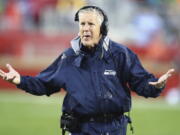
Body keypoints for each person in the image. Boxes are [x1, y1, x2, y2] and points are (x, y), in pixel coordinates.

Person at [0, 6, 175, 135]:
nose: (85, 28)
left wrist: (155, 86)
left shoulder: (121, 54)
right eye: (82, 24)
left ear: (102, 29)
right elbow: (44, 83)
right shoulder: (68, 58)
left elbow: (142, 82)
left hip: (115, 128)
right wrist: (20, 80)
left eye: (90, 24)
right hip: (81, 129)